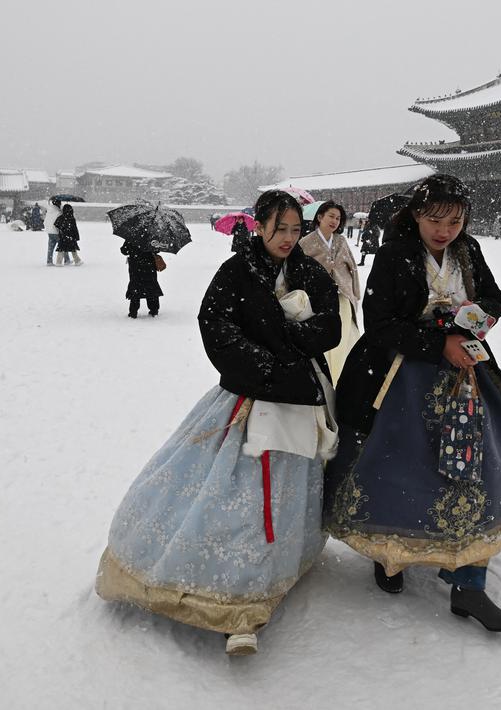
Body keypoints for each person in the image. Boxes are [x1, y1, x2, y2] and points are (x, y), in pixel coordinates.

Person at [95, 189, 340, 656]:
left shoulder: (311, 272)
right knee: (234, 492)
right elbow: (217, 327)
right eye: (279, 229)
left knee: (282, 494)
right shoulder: (236, 271)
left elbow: (330, 327)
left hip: (299, 394)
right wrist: (264, 364)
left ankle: (261, 583)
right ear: (259, 226)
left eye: (295, 230)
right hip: (246, 396)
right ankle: (222, 594)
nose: (288, 238)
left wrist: (288, 340)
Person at [323, 173, 501, 633]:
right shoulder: (395, 254)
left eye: (455, 221)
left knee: (477, 463)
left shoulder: (468, 251)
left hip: (463, 374)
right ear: (416, 215)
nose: (445, 230)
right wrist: (439, 342)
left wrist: (476, 322)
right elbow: (380, 323)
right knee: (397, 463)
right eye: (435, 220)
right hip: (399, 375)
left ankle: (469, 580)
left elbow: (492, 297)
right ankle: (390, 555)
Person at [298, 200, 361, 383]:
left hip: (342, 295)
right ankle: (325, 377)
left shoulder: (341, 240)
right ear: (320, 217)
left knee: (343, 336)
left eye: (338, 218)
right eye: (331, 216)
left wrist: (355, 292)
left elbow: (352, 266)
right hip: (318, 298)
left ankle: (341, 375)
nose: (335, 221)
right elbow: (299, 270)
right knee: (324, 338)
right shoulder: (306, 242)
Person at [121, 242, 164, 318]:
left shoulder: (132, 238)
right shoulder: (152, 238)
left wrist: (131, 250)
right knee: (151, 287)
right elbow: (157, 249)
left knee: (136, 288)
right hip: (149, 266)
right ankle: (154, 310)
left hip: (135, 267)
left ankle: (133, 312)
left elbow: (124, 250)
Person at [45, 198, 70, 265]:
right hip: (57, 232)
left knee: (50, 248)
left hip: (50, 232)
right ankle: (67, 260)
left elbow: (45, 222)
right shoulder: (59, 213)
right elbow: (61, 223)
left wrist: (48, 229)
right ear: (58, 204)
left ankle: (49, 261)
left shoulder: (49, 212)